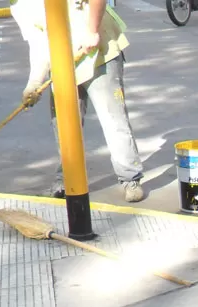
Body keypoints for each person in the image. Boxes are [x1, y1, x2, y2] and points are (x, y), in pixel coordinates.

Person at [10, 0, 145, 202]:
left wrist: (92, 30)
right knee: (64, 124)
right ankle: (67, 177)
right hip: (63, 62)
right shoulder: (20, 6)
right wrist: (34, 83)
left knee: (113, 119)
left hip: (98, 51)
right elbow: (38, 43)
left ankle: (130, 178)